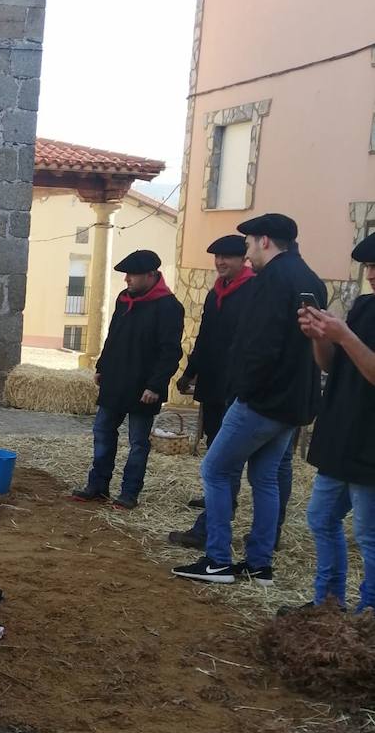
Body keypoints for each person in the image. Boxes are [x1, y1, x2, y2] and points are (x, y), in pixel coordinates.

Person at [173, 213, 326, 586]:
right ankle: (260, 565)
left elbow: (260, 346)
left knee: (215, 470)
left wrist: (243, 391)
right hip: (292, 403)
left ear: (265, 241)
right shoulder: (311, 280)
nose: (247, 252)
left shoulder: (270, 281)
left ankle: (218, 560)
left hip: (262, 401)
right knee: (266, 478)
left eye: (248, 244)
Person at [294, 231, 375, 613]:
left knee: (368, 535)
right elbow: (331, 366)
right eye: (369, 267)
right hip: (342, 435)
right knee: (321, 518)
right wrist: (319, 338)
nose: (371, 274)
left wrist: (344, 335)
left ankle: (367, 620)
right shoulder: (364, 306)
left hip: (370, 447)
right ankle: (327, 604)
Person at [71, 250, 185, 510]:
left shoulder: (169, 306)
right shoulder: (124, 300)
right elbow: (113, 337)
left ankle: (129, 492)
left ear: (150, 274)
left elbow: (170, 352)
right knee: (102, 432)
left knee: (137, 443)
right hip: (116, 381)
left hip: (144, 388)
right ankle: (97, 485)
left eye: (132, 275)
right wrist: (102, 366)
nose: (127, 280)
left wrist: (155, 386)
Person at [168, 234, 255, 548]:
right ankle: (218, 501)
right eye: (217, 257)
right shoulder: (215, 292)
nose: (220, 263)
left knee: (226, 454)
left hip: (236, 386)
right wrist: (189, 373)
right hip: (214, 383)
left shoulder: (251, 292)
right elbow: (204, 337)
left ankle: (212, 525)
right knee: (213, 443)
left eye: (226, 257)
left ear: (242, 259)